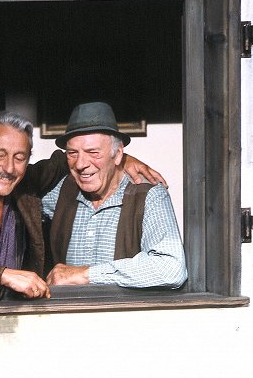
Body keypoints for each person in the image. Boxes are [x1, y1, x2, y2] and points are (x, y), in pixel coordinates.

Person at [0, 110, 165, 302]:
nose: (9, 168)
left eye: (20, 157)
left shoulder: (26, 184)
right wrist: (1, 275)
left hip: (24, 328)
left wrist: (120, 159)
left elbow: (66, 160)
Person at [43, 101, 187, 288]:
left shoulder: (149, 195)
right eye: (72, 153)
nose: (80, 164)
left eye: (93, 152)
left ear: (118, 155)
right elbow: (17, 206)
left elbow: (171, 268)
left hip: (124, 316)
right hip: (66, 314)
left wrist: (87, 275)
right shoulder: (62, 190)